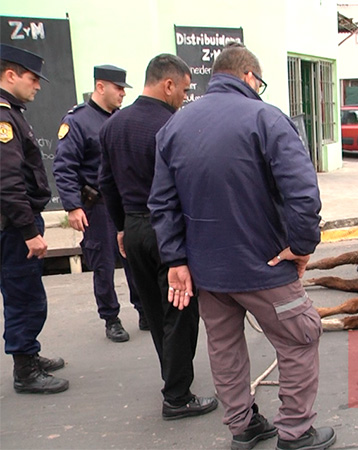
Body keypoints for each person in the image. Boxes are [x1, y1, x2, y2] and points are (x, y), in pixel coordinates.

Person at [149, 43, 335, 450]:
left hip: (209, 274)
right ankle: (296, 431)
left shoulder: (175, 127)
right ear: (249, 76)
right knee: (299, 338)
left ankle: (242, 428)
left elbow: (161, 203)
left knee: (224, 347)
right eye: (260, 82)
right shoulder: (265, 117)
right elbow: (303, 193)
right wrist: (302, 246)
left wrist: (177, 259)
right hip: (265, 266)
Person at [98, 54, 218, 419]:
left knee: (153, 309)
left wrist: (121, 226)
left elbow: (106, 183)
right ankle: (178, 397)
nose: (184, 97)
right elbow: (188, 185)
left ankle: (172, 380)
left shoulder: (113, 125)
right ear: (168, 85)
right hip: (168, 231)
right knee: (180, 312)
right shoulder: (175, 125)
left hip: (134, 229)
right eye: (183, 90)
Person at [53, 64, 145, 343]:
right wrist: (72, 206)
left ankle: (144, 309)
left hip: (125, 201)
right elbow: (64, 166)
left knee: (136, 258)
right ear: (100, 86)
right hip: (99, 205)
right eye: (118, 89)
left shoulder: (122, 119)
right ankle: (111, 318)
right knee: (103, 263)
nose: (122, 95)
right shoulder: (78, 121)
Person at [1, 44, 69, 394]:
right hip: (14, 229)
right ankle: (24, 370)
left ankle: (28, 352)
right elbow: (8, 181)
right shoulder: (3, 117)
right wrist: (29, 231)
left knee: (24, 293)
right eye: (32, 78)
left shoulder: (12, 111)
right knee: (24, 296)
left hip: (16, 225)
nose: (38, 85)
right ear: (10, 75)